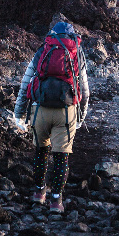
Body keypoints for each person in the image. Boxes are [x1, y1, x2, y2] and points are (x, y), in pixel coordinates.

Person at [14, 20, 89, 213]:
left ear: (52, 35)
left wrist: (19, 114)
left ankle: (39, 193)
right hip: (66, 112)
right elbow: (85, 90)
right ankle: (56, 201)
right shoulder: (76, 51)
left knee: (41, 152)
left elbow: (25, 84)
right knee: (61, 157)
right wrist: (81, 116)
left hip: (40, 110)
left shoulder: (42, 50)